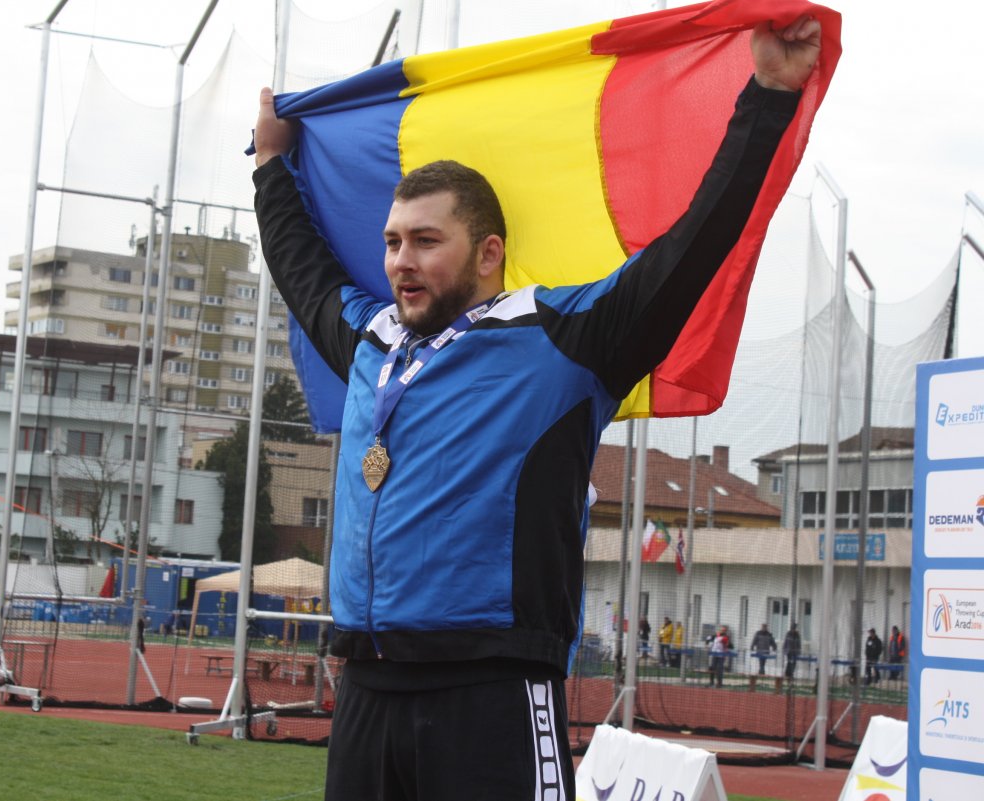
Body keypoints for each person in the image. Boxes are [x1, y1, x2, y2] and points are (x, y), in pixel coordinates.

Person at [252, 15, 820, 800]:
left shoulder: (562, 341)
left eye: (424, 241)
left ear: (489, 254)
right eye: (391, 242)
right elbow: (300, 264)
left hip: (492, 691)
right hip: (367, 691)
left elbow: (690, 247)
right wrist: (273, 163)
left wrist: (767, 95)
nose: (399, 264)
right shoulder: (371, 343)